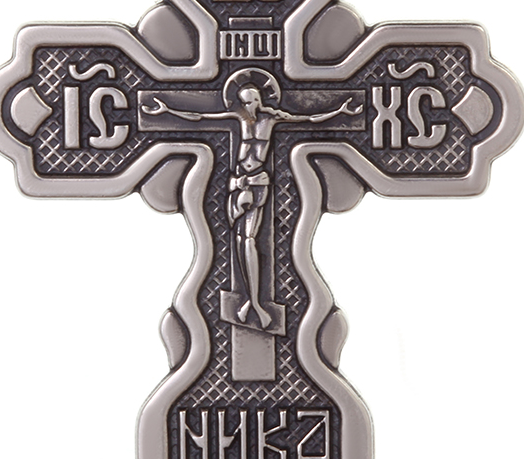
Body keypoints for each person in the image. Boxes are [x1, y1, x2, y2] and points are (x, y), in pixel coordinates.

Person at [142, 73, 360, 328]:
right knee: (238, 241)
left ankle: (255, 302)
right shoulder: (238, 118)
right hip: (237, 184)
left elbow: (309, 118)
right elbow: (201, 117)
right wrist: (167, 111)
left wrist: (340, 112)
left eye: (253, 101)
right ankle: (249, 300)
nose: (249, 107)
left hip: (257, 184)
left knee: (248, 240)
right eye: (245, 102)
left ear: (260, 99)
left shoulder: (272, 118)